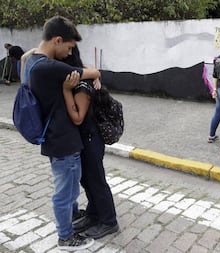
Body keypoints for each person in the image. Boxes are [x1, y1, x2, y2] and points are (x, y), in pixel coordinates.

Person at [25, 15, 101, 251]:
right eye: (68, 47)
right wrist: (95, 74)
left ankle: (73, 215)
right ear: (57, 40)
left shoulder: (32, 61)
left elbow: (27, 56)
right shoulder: (50, 67)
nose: (70, 53)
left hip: (61, 139)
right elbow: (92, 72)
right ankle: (65, 237)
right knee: (63, 192)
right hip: (61, 140)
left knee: (69, 187)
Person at [62, 45, 119, 239]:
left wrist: (66, 91)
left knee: (96, 180)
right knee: (87, 179)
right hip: (84, 138)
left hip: (91, 138)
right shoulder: (80, 73)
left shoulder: (80, 82)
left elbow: (78, 118)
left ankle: (109, 221)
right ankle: (94, 214)